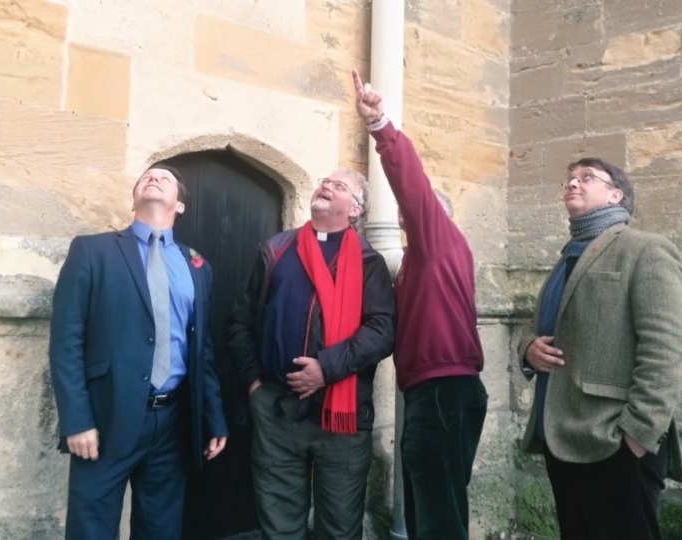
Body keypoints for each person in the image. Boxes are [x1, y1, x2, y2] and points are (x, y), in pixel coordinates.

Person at [49, 164, 228, 540]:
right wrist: (77, 420)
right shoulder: (92, 250)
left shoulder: (197, 266)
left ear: (179, 206)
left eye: (165, 178)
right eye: (146, 176)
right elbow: (66, 340)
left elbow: (202, 350)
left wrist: (213, 417)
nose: (154, 177)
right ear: (133, 200)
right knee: (91, 530)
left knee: (161, 529)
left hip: (173, 422)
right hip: (106, 417)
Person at [517, 158, 682, 540]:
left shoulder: (646, 250)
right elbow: (538, 325)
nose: (573, 183)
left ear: (616, 195)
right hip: (560, 436)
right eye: (569, 178)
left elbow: (666, 351)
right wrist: (528, 347)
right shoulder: (566, 258)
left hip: (613, 442)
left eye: (586, 177)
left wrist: (635, 437)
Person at [352, 69, 488, 540]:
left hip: (443, 391)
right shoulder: (414, 263)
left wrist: (379, 126)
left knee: (437, 517)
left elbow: (412, 187)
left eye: (420, 211)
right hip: (429, 394)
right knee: (434, 508)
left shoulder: (439, 241)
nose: (410, 216)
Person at [224, 167, 395, 540]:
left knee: (339, 529)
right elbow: (239, 322)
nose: (326, 187)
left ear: (356, 210)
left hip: (343, 420)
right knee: (280, 528)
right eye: (325, 182)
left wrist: (327, 368)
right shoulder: (275, 250)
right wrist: (255, 384)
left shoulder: (370, 264)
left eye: (339, 186)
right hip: (277, 411)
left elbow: (382, 332)